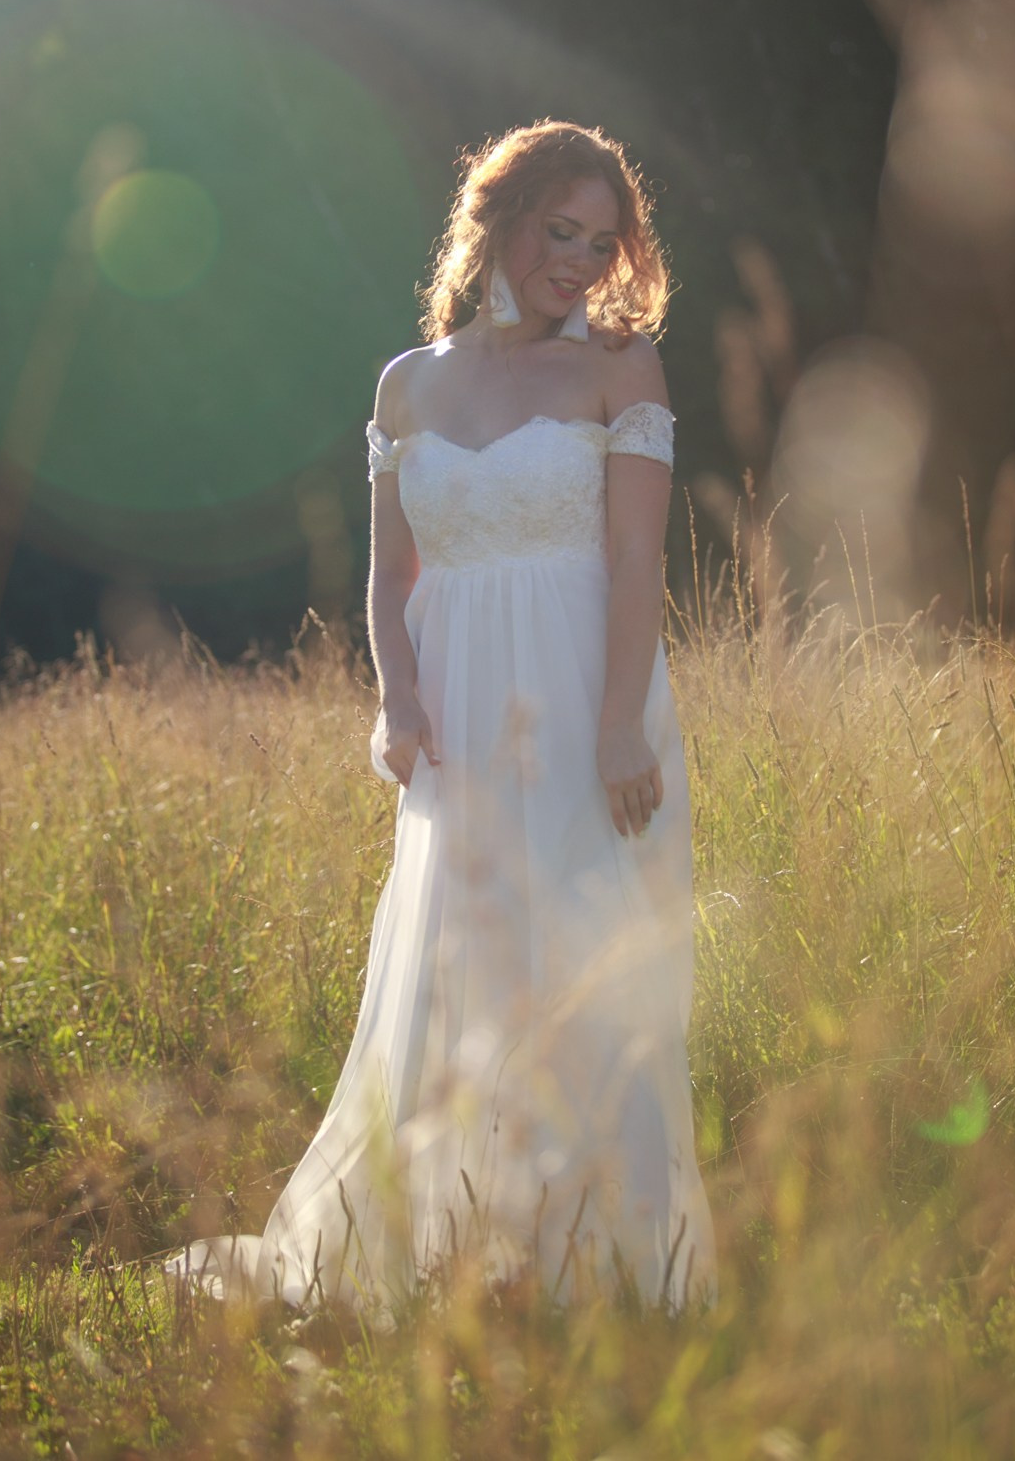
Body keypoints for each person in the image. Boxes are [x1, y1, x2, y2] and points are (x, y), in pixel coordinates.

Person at [170, 120, 716, 1318]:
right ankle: (462, 1248)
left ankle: (603, 1265)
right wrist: (399, 700)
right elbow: (390, 575)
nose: (578, 260)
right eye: (558, 231)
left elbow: (635, 560)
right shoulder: (407, 384)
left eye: (601, 239)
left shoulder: (622, 366)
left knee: (584, 962)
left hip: (588, 697)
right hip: (457, 719)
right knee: (461, 968)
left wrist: (621, 723)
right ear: (497, 222)